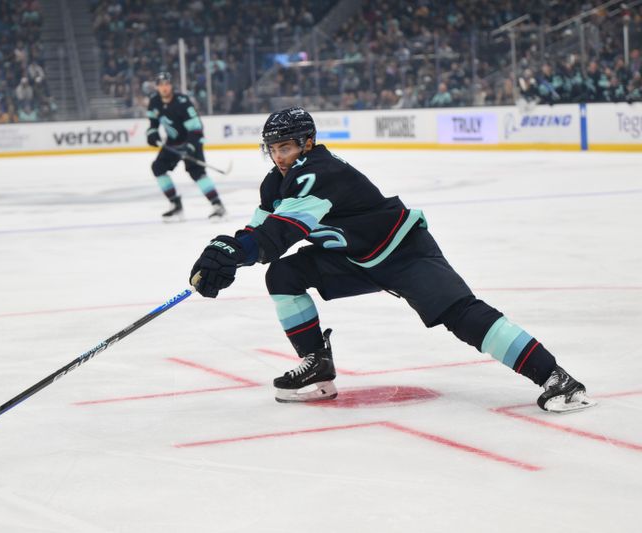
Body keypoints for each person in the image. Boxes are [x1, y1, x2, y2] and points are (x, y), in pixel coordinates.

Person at [189, 107, 595, 413]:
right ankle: (317, 364)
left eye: (287, 147)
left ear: (307, 143)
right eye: (274, 149)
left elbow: (279, 234)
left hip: (404, 252)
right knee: (283, 275)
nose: (279, 156)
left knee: (462, 316)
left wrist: (236, 251)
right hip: (355, 257)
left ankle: (557, 378)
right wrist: (224, 257)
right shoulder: (276, 182)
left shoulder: (319, 172)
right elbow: (258, 232)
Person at [146, 71, 226, 221]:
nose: (164, 88)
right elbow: (153, 124)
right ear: (157, 87)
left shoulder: (182, 102)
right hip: (173, 142)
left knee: (196, 172)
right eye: (161, 85)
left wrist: (190, 147)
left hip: (192, 140)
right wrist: (152, 134)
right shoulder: (154, 101)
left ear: (171, 86)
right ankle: (175, 204)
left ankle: (218, 205)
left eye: (167, 84)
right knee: (158, 167)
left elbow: (196, 128)